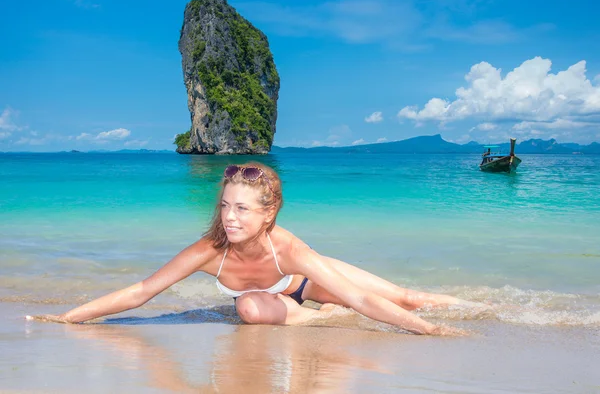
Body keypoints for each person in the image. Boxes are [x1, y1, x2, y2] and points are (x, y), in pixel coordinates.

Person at [28, 163, 479, 335]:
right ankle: (319, 320)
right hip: (278, 303)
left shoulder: (289, 248)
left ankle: (481, 307)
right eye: (225, 206)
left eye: (242, 209)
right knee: (248, 308)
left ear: (269, 212)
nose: (229, 217)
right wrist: (67, 318)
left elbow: (362, 298)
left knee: (406, 299)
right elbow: (142, 292)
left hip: (310, 283)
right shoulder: (209, 250)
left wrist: (429, 331)